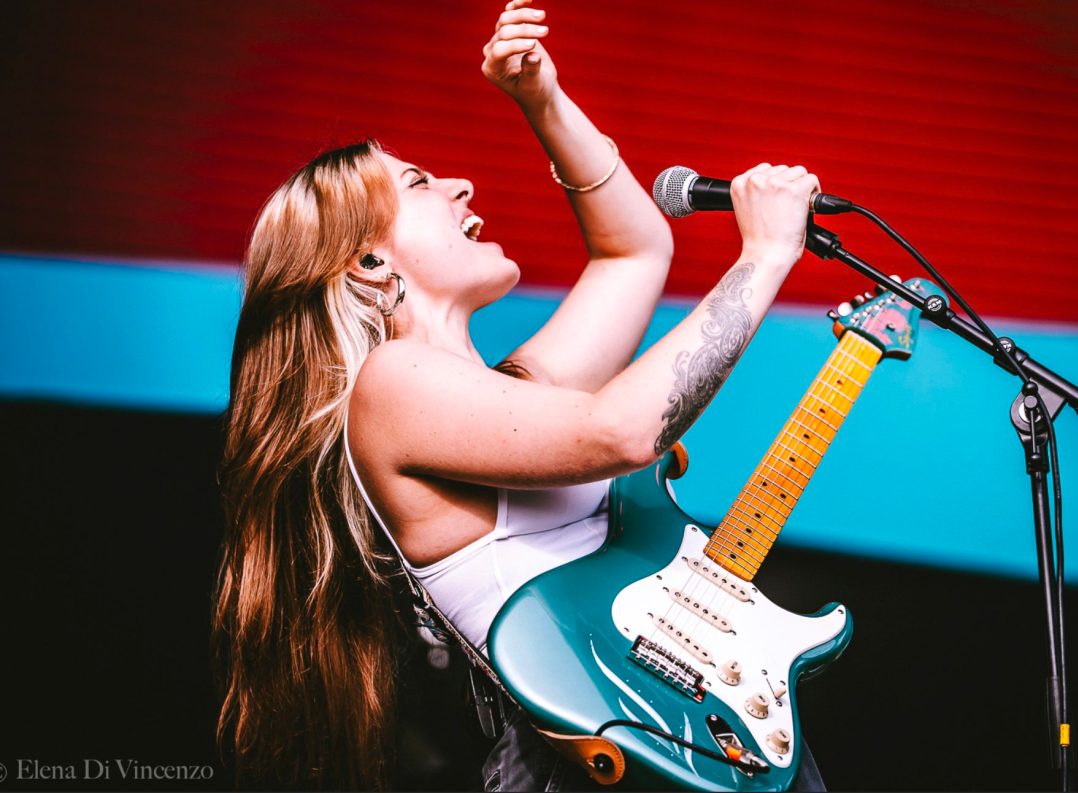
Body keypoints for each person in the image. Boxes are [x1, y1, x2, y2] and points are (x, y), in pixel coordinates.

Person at [212, 0, 825, 789]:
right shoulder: (389, 385)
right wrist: (764, 256)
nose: (461, 186)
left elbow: (637, 251)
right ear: (369, 263)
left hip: (673, 743)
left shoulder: (504, 397)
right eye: (420, 183)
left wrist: (543, 99)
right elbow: (623, 432)